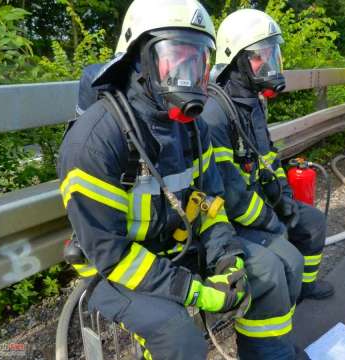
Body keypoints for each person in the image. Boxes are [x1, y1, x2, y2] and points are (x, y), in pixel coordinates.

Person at [58, 1, 305, 359]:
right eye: (176, 57)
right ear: (139, 59)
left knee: (266, 273)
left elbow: (211, 204)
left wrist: (227, 261)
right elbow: (110, 253)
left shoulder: (191, 127)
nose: (188, 74)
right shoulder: (95, 140)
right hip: (118, 269)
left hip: (179, 248)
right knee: (176, 334)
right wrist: (197, 292)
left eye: (198, 60)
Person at [201, 9, 333, 310]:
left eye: (273, 53)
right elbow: (229, 191)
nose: (270, 63)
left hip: (262, 202)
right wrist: (270, 220)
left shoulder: (254, 103)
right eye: (261, 56)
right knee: (283, 258)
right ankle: (276, 308)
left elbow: (270, 157)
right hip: (234, 217)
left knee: (312, 222)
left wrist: (284, 197)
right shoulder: (215, 113)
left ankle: (304, 288)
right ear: (236, 60)